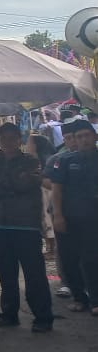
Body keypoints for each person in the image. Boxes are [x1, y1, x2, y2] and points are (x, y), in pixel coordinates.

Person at [0, 122, 53, 332]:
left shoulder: (31, 161)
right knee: (6, 275)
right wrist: (10, 183)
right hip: (2, 226)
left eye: (12, 138)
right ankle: (9, 314)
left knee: (35, 275)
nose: (8, 142)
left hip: (27, 226)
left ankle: (43, 317)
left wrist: (3, 183)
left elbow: (26, 183)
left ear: (19, 140)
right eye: (3, 138)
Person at [51, 119, 98, 317]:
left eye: (87, 135)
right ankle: (80, 298)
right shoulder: (65, 161)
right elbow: (56, 189)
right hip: (70, 219)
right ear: (74, 140)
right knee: (70, 260)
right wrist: (58, 215)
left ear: (94, 136)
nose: (84, 140)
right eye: (79, 137)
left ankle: (95, 300)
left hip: (93, 220)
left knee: (91, 259)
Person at [46, 121, 87, 305]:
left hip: (88, 216)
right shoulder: (59, 159)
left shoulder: (90, 158)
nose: (75, 142)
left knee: (89, 254)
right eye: (70, 138)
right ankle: (73, 288)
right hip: (65, 213)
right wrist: (58, 213)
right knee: (68, 255)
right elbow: (49, 184)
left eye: (78, 137)